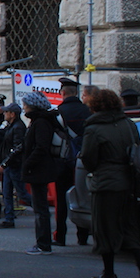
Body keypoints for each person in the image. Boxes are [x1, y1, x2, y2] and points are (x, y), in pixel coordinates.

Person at [81, 89, 140, 278]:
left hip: (105, 183)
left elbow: (88, 158)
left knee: (104, 228)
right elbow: (138, 149)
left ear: (95, 106)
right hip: (128, 182)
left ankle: (109, 273)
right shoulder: (128, 125)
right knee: (128, 223)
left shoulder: (93, 128)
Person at [20, 93, 59, 255]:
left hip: (39, 170)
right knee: (40, 207)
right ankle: (43, 242)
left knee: (40, 208)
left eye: (25, 104)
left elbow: (40, 147)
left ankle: (43, 243)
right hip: (38, 169)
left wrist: (28, 163)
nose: (24, 107)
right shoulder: (39, 121)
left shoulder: (41, 122)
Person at [56, 77, 91, 246]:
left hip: (64, 161)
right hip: (83, 161)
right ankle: (82, 235)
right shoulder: (87, 111)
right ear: (76, 93)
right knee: (82, 196)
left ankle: (60, 236)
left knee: (62, 200)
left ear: (62, 93)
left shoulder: (59, 112)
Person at [0, 102, 31, 229]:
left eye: (6, 112)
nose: (4, 114)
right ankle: (9, 218)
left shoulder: (18, 127)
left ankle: (40, 209)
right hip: (10, 164)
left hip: (14, 165)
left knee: (21, 193)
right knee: (7, 192)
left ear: (12, 114)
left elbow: (17, 148)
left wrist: (5, 163)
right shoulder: (12, 126)